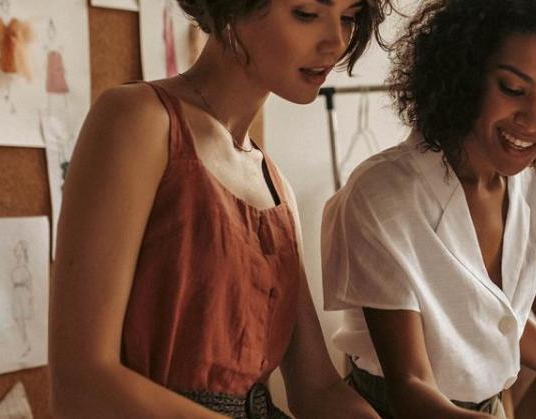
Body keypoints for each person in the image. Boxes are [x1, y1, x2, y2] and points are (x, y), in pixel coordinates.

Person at [321, 0, 536, 417]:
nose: (533, 121)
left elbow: (497, 322)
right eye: (514, 90)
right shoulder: (385, 195)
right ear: (466, 73)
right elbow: (409, 387)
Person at [49, 1, 388, 417]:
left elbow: (316, 388)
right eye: (306, 13)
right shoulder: (138, 119)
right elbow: (83, 379)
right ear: (232, 7)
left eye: (349, 17)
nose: (336, 42)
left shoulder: (276, 185)